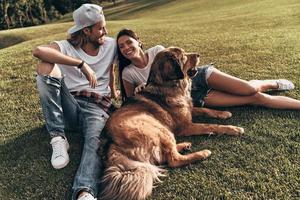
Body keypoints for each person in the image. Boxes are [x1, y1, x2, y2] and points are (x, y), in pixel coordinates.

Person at [33, 4, 117, 200]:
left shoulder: (111, 44)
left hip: (97, 107)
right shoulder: (66, 47)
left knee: (95, 141)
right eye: (101, 28)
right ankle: (58, 138)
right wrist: (81, 64)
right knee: (45, 66)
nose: (106, 31)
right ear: (86, 31)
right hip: (69, 106)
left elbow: (132, 59)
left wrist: (114, 90)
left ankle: (84, 192)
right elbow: (38, 51)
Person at [116, 28, 300, 109]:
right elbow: (133, 100)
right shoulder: (128, 72)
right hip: (191, 96)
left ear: (138, 41)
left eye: (128, 42)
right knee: (254, 98)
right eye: (121, 46)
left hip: (199, 76)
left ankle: (272, 83)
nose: (125, 48)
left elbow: (182, 61)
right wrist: (141, 89)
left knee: (250, 89)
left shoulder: (157, 50)